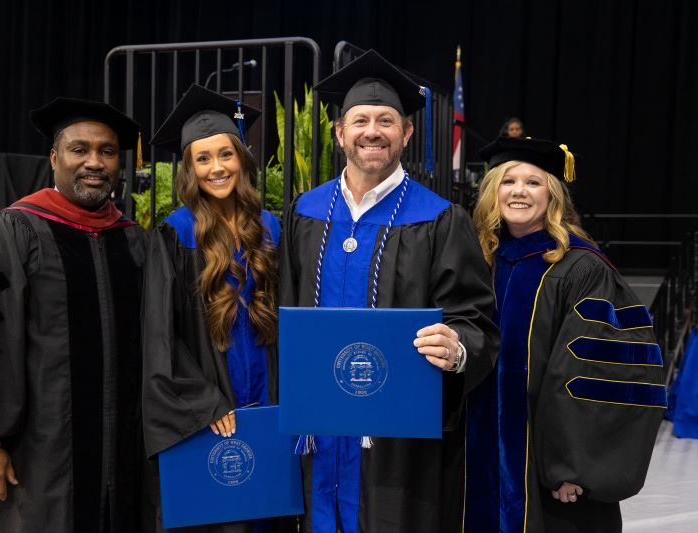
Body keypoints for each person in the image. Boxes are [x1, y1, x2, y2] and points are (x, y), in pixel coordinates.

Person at [278, 49, 500, 532]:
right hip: (317, 434)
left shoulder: (439, 219)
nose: (372, 131)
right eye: (359, 120)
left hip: (397, 446)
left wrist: (457, 346)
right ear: (340, 134)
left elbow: (475, 319)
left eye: (386, 120)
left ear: (407, 133)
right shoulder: (305, 212)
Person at [0, 97, 154, 533]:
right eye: (79, 149)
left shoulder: (133, 241)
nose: (94, 162)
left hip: (121, 459)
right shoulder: (13, 231)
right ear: (54, 157)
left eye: (105, 151)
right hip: (35, 458)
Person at [465, 137, 666, 532]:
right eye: (508, 181)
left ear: (553, 194)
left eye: (533, 182)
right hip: (477, 460)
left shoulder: (580, 268)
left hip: (550, 472)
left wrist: (573, 465)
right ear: (492, 192)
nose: (519, 191)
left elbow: (602, 376)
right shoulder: (476, 260)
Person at [142, 84, 283, 532]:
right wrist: (204, 402)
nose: (217, 168)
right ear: (189, 169)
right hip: (211, 405)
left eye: (226, 154)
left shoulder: (271, 228)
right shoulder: (175, 233)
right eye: (203, 159)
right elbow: (159, 333)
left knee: (269, 508)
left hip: (269, 401)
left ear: (242, 158)